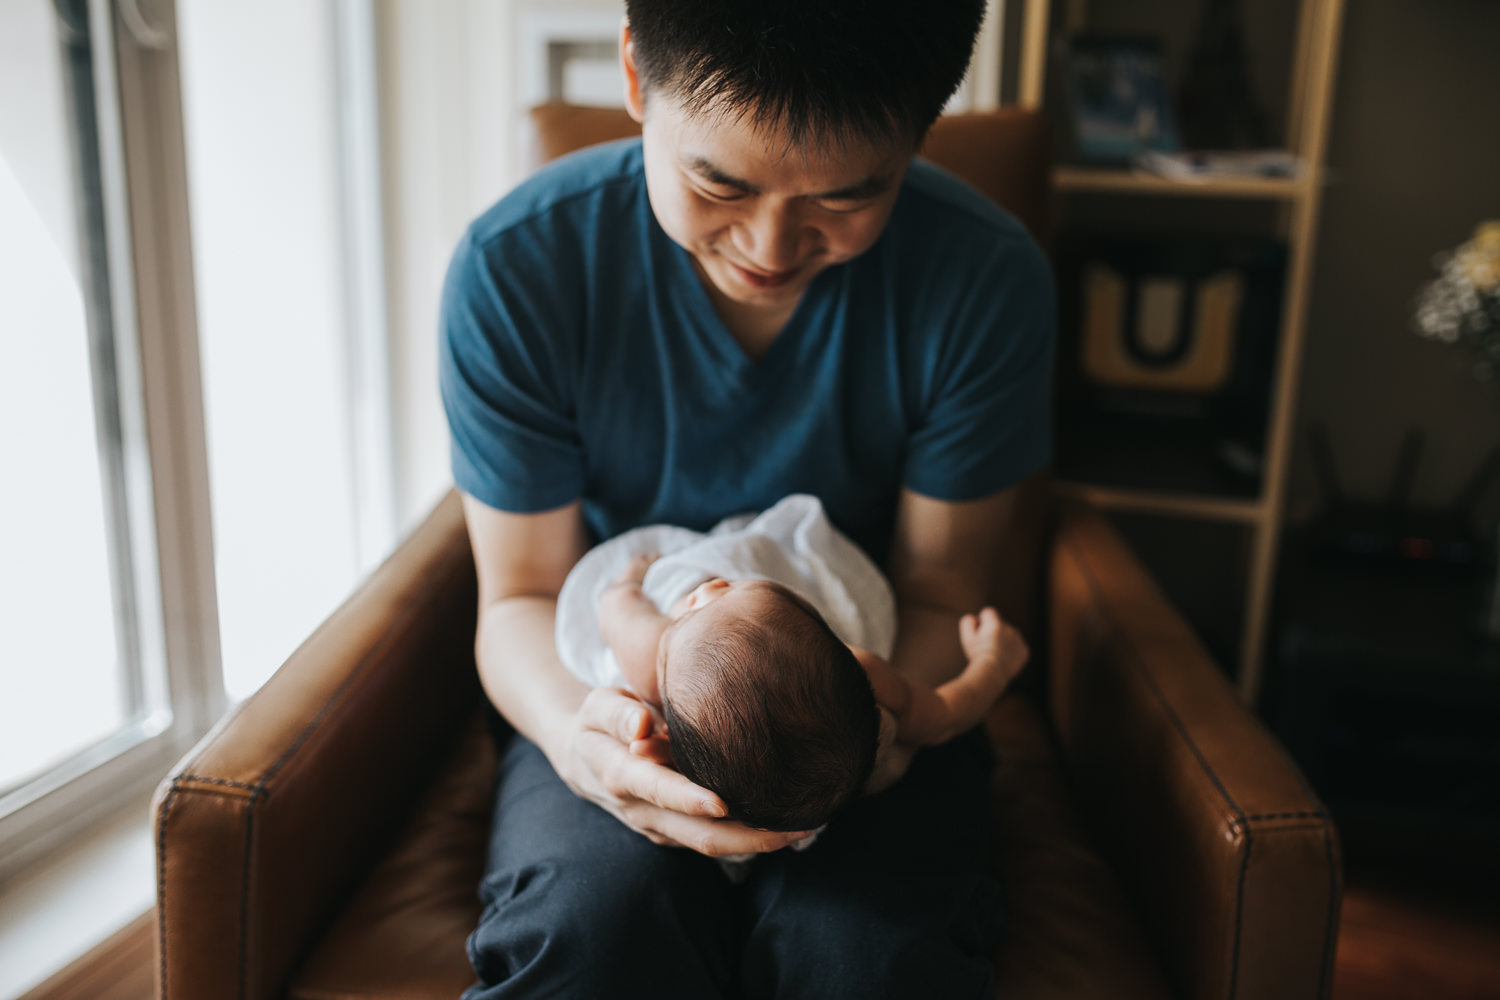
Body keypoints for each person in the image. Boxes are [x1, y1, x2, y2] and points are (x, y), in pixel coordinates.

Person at [439, 0, 1055, 995]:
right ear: (636, 75)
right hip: (602, 695)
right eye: (716, 180)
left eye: (848, 197)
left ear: (921, 129)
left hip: (865, 699)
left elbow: (942, 592)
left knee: (866, 955)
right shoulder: (518, 270)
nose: (770, 244)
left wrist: (881, 725)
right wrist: (578, 739)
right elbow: (516, 598)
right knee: (589, 929)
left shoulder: (984, 282)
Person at [556, 493, 1029, 874]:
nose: (712, 586)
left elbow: (617, 607)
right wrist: (994, 664)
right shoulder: (862, 669)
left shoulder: (650, 657)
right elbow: (945, 716)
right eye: (737, 588)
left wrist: (632, 576)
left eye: (694, 610)